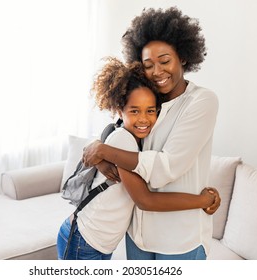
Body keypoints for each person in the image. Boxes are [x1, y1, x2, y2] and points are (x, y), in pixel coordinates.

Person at [82, 7, 220, 260]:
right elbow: (118, 130)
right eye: (148, 65)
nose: (157, 71)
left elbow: (166, 167)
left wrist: (105, 151)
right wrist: (102, 154)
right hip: (139, 233)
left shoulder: (202, 101)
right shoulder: (148, 103)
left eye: (165, 61)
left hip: (181, 238)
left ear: (184, 58)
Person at [57, 57, 219, 260]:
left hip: (97, 242)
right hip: (84, 240)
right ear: (119, 111)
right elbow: (145, 200)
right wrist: (204, 200)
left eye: (150, 111)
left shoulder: (134, 139)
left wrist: (101, 153)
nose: (143, 119)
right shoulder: (123, 140)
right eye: (134, 111)